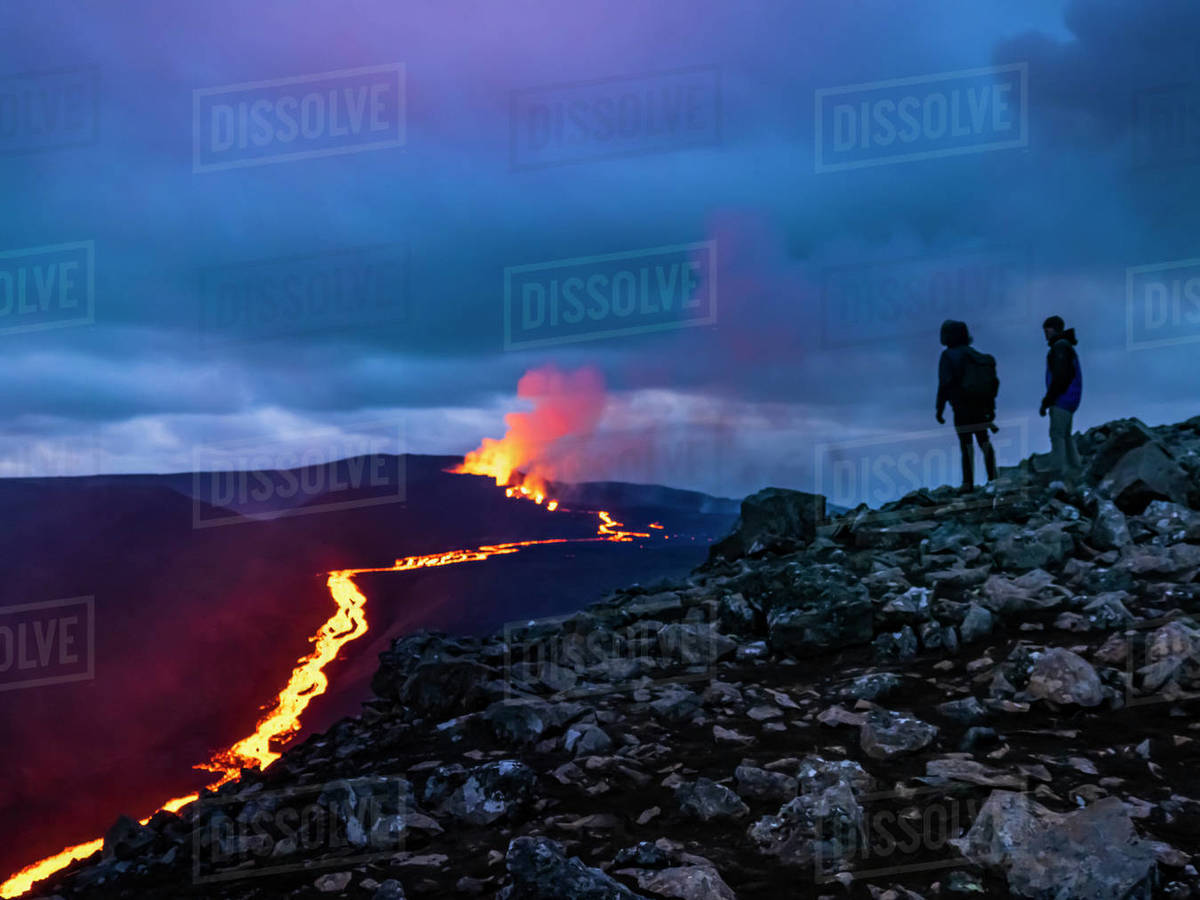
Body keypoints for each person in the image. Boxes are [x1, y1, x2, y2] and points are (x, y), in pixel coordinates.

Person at [936, 319, 998, 491]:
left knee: (966, 444)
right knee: (984, 441)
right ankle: (993, 478)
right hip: (981, 407)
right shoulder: (975, 355)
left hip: (961, 407)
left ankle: (968, 483)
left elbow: (944, 385)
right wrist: (991, 409)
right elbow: (990, 383)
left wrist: (939, 410)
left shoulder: (948, 355)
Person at [1039, 315, 1082, 479]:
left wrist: (1048, 400)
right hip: (1071, 399)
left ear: (1054, 329)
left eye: (1047, 330)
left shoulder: (1060, 347)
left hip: (1062, 399)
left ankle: (1058, 473)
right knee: (1066, 435)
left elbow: (1060, 377)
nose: (1045, 334)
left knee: (1057, 435)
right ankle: (1075, 469)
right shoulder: (1066, 346)